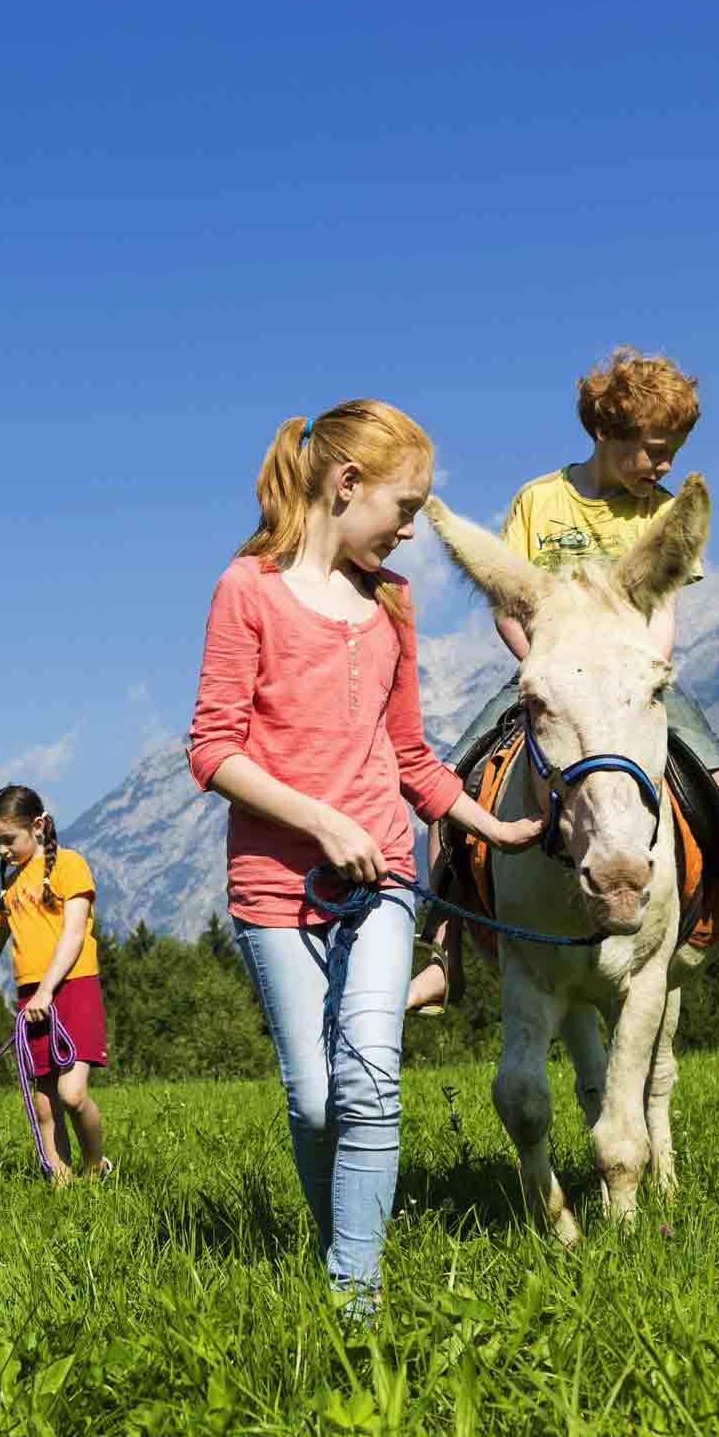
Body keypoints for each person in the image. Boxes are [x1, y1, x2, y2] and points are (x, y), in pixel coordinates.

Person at [187, 398, 540, 1321]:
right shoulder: (247, 590)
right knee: (313, 1103)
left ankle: (356, 1295)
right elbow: (212, 750)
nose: (415, 530)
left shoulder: (392, 604)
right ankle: (340, 1246)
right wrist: (317, 822)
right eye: (406, 507)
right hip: (276, 887)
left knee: (369, 1080)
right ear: (347, 486)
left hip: (383, 872)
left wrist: (485, 826)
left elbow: (411, 753)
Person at [407, 347, 719, 1015]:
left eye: (673, 453)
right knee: (449, 789)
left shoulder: (662, 516)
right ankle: (440, 953)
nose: (663, 467)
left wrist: (645, 677)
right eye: (652, 450)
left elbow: (664, 614)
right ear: (604, 432)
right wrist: (536, 667)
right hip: (546, 676)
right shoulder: (539, 502)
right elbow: (509, 604)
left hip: (634, 681)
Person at [0, 784, 111, 1184]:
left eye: (7, 839)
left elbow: (72, 936)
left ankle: (95, 1168)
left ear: (37, 826)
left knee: (71, 1095)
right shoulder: (11, 888)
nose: (1, 850)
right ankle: (61, 1184)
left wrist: (48, 989)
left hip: (72, 987)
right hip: (31, 997)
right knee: (45, 1106)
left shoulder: (70, 865)